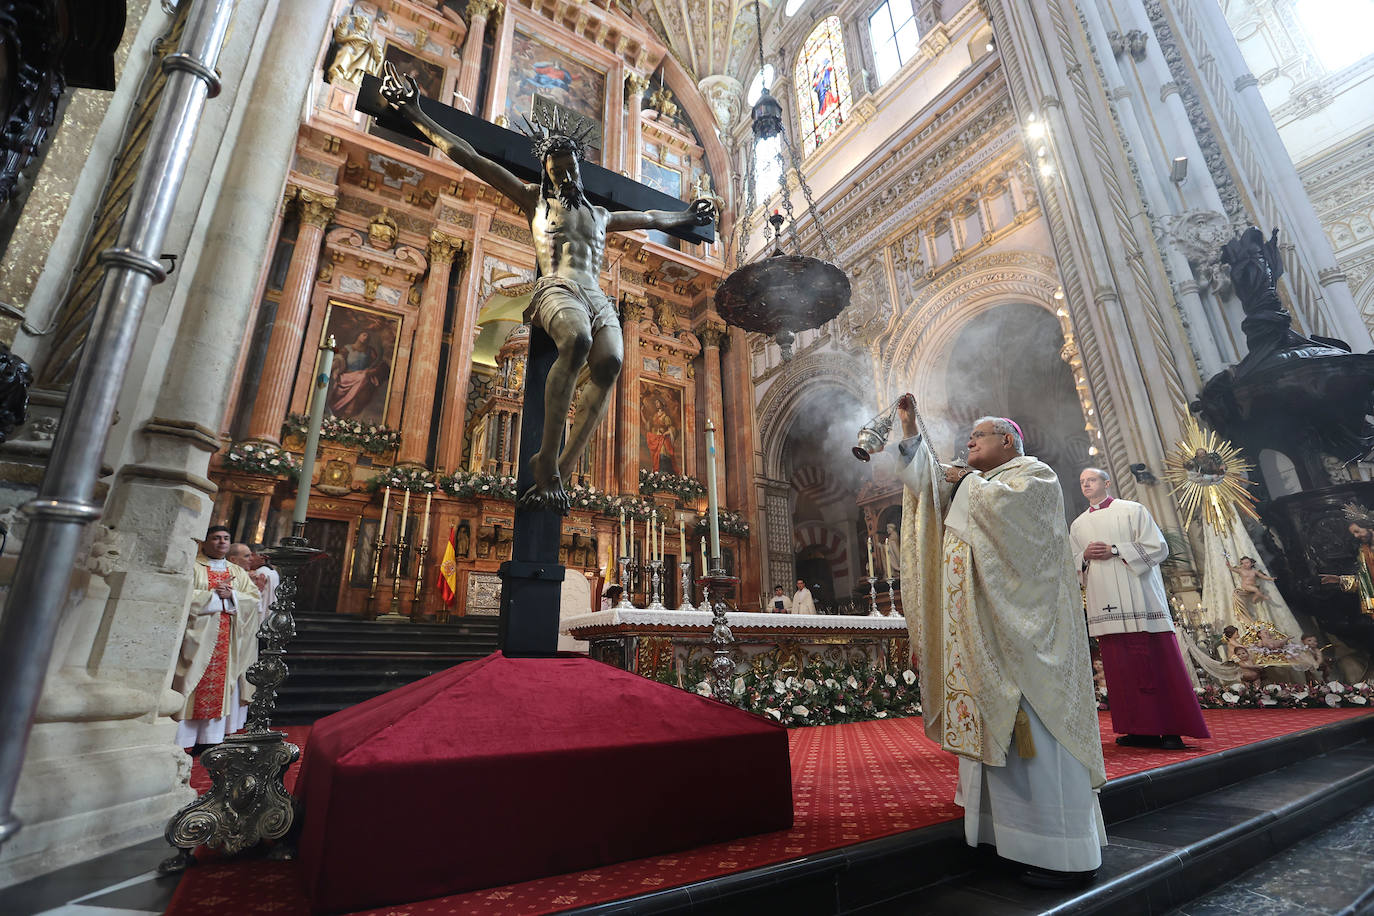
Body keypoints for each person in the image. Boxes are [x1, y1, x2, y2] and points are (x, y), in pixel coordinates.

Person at [382, 64, 714, 513]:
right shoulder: (534, 200)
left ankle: (559, 464)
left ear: (579, 167)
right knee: (576, 342)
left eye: (568, 169)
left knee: (611, 362)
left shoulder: (601, 216)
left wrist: (688, 217)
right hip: (556, 286)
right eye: (555, 172)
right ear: (546, 173)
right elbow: (471, 157)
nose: (563, 178)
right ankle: (546, 465)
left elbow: (653, 217)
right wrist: (417, 115)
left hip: (596, 294)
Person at [877, 400, 1106, 887]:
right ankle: (1003, 840)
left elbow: (1009, 523)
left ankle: (1059, 853)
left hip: (1026, 642)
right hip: (983, 636)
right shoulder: (976, 482)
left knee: (1035, 739)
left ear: (1007, 440)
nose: (969, 442)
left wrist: (965, 481)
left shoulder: (1034, 476)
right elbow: (929, 485)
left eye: (978, 435)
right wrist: (910, 427)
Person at [1070, 468, 1210, 751]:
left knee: (1159, 665)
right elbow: (1071, 562)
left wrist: (1115, 550)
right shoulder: (1078, 524)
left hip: (1141, 601)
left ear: (1107, 482)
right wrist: (1083, 555)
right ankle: (1138, 730)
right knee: (1120, 671)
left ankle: (1172, 730)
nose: (1086, 484)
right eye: (1082, 481)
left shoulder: (1132, 510)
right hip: (1105, 606)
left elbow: (1158, 547)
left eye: (1092, 480)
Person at [171, 526, 261, 752]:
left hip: (226, 640)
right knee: (189, 682)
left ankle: (210, 739)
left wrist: (233, 596)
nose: (222, 542)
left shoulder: (236, 571)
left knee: (220, 687)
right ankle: (184, 740)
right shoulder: (193, 566)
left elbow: (254, 599)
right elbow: (180, 594)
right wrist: (213, 595)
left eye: (226, 538)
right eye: (216, 538)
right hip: (196, 640)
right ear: (205, 542)